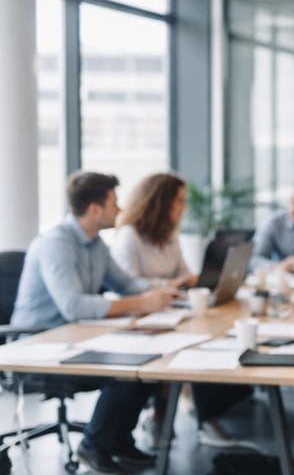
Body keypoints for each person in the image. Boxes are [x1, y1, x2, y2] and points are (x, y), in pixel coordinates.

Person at [11, 171, 180, 473]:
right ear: (94, 209)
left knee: (148, 367)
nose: (121, 210)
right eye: (114, 203)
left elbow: (127, 283)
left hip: (75, 338)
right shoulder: (56, 244)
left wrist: (163, 292)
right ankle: (93, 446)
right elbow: (74, 306)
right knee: (125, 370)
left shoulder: (96, 244)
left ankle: (118, 442)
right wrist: (141, 304)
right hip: (39, 347)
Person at [112, 172, 255, 449]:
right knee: (185, 348)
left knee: (208, 339)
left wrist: (191, 279)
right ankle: (170, 418)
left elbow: (184, 273)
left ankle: (202, 416)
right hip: (139, 316)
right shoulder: (129, 237)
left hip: (170, 310)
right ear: (160, 202)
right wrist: (172, 284)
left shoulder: (169, 235)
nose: (183, 206)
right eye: (178, 200)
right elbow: (127, 285)